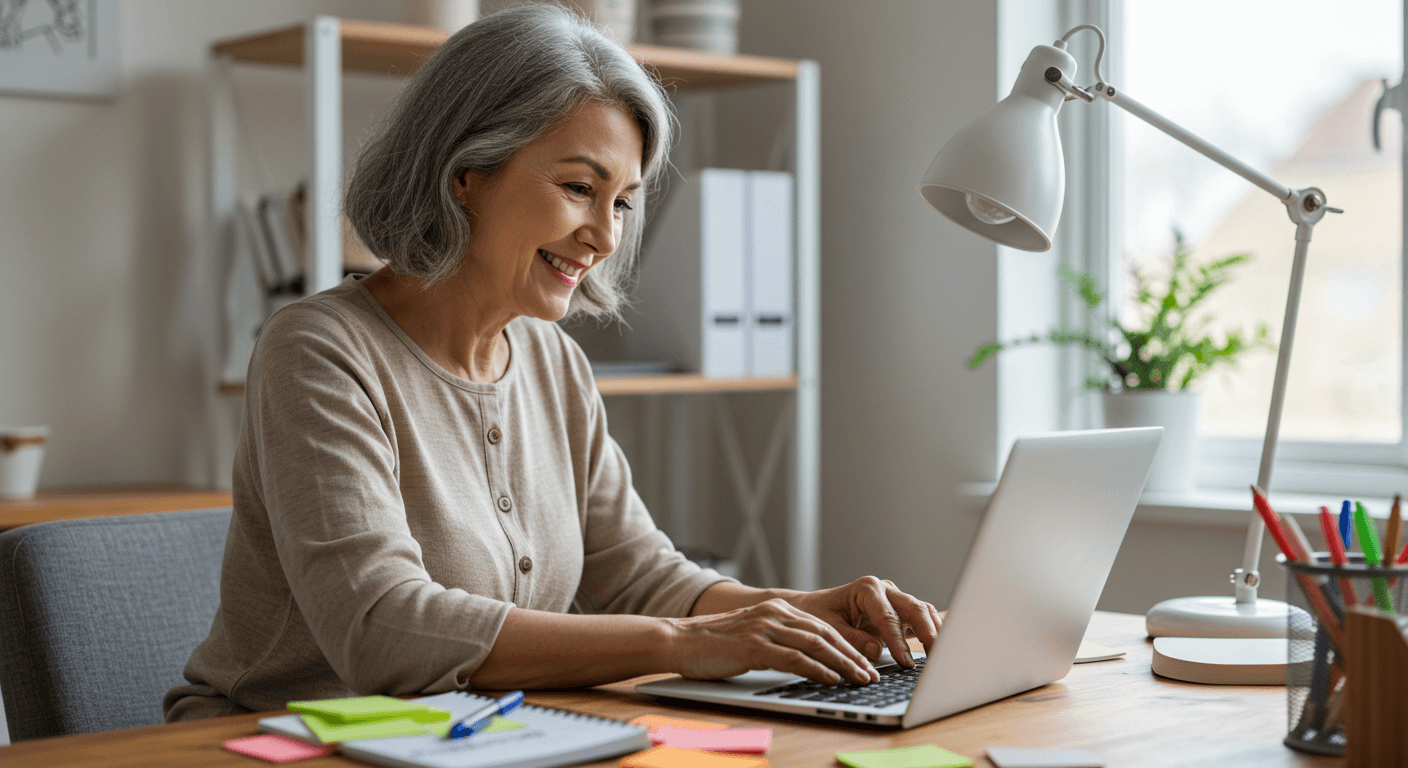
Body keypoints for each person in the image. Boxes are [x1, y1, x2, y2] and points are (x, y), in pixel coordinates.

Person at [165, 5, 940, 722]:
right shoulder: (318, 350)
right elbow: (381, 628)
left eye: (623, 201)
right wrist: (680, 644)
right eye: (579, 188)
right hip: (279, 738)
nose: (606, 235)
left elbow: (637, 575)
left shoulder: (552, 362)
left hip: (473, 735)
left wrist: (802, 609)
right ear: (464, 173)